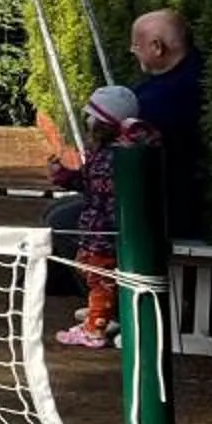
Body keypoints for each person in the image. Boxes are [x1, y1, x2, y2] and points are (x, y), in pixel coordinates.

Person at [48, 84, 148, 349]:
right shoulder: (112, 154)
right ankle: (100, 314)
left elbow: (95, 189)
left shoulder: (110, 158)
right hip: (101, 232)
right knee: (96, 277)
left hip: (103, 234)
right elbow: (87, 183)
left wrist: (71, 177)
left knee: (100, 280)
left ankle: (96, 327)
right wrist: (66, 177)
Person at [128, 8, 209, 238]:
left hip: (161, 210)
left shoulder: (161, 99)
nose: (132, 52)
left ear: (157, 47)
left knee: (60, 221)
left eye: (136, 46)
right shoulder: (194, 72)